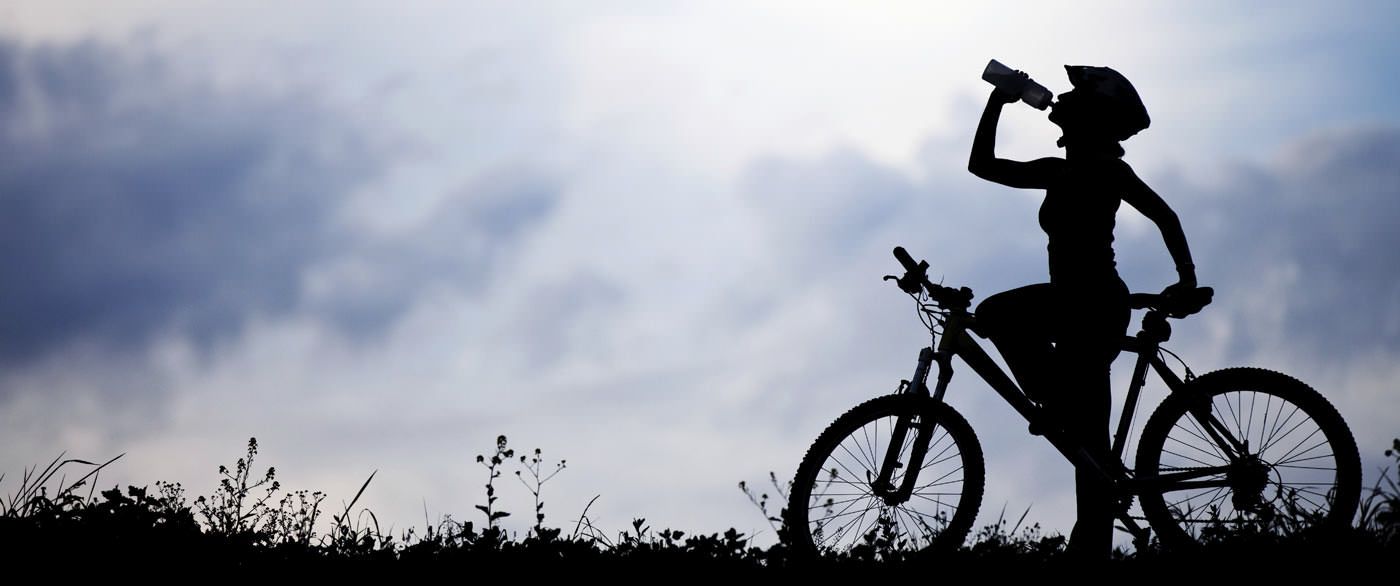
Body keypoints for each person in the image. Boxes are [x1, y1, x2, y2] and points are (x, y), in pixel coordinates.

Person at [966, 65, 1198, 558]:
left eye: (1076, 95)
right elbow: (982, 166)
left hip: (1091, 304)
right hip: (1077, 304)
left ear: (1093, 116)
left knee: (995, 315)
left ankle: (1054, 404)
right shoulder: (1062, 170)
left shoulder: (1104, 169)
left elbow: (1166, 215)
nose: (1061, 100)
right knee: (1089, 447)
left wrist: (1187, 278)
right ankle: (1089, 546)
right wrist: (997, 102)